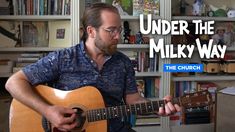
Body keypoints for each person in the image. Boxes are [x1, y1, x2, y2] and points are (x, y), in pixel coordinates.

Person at [5, 3, 181, 132]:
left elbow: (133, 101)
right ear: (91, 31)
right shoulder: (64, 58)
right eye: (111, 30)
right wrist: (48, 111)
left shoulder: (123, 62)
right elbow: (13, 83)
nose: (118, 36)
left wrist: (157, 107)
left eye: (119, 30)